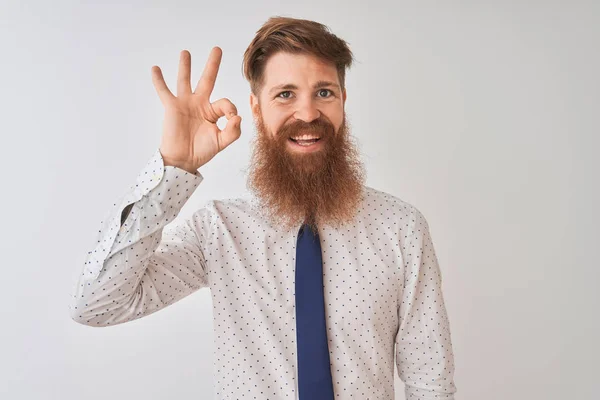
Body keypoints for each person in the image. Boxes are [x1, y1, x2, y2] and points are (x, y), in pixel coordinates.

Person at [70, 16, 458, 400]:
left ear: (343, 100)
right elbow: (97, 305)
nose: (307, 114)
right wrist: (172, 169)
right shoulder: (219, 231)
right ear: (256, 107)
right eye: (285, 94)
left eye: (324, 92)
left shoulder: (401, 228)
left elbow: (430, 383)